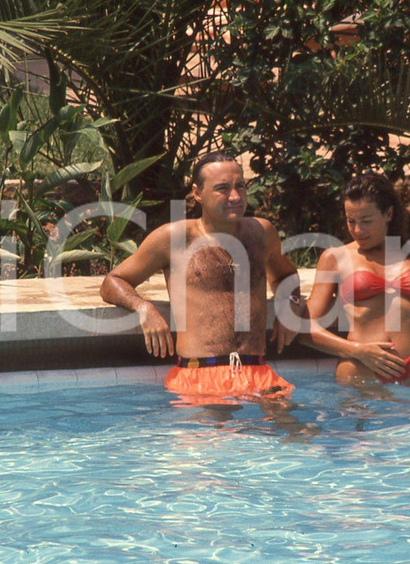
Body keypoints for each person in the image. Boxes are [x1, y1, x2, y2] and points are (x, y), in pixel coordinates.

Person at [100, 151, 306, 410]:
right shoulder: (175, 238)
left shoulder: (261, 233)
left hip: (258, 373)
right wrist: (144, 309)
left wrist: (291, 304)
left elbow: (287, 276)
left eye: (240, 186)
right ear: (197, 193)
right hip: (198, 376)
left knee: (297, 437)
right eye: (222, 189)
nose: (235, 196)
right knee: (207, 447)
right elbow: (113, 281)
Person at [301, 172, 410, 411]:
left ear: (389, 214)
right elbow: (303, 329)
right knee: (359, 444)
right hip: (359, 375)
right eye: (351, 221)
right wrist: (359, 352)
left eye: (366, 221)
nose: (358, 230)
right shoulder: (335, 258)